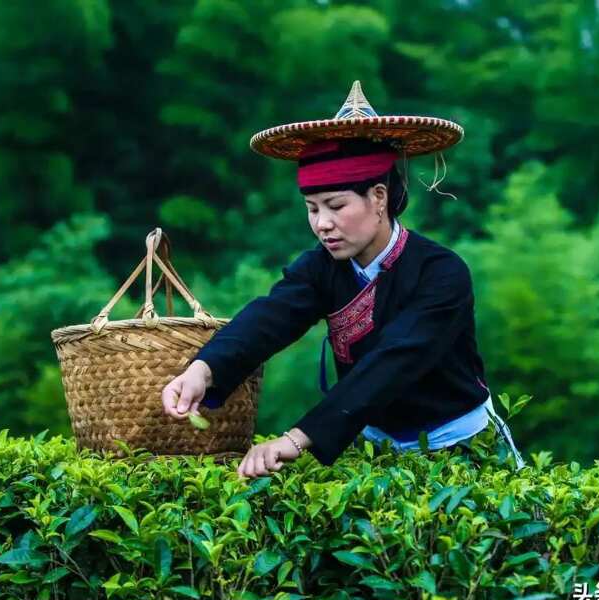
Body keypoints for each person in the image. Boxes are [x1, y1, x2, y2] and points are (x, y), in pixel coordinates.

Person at [161, 81, 525, 478]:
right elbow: (269, 318)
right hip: (374, 451)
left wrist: (298, 438)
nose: (322, 224)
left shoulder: (441, 273)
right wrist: (203, 370)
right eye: (312, 208)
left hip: (461, 446)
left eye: (336, 206)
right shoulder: (320, 268)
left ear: (379, 198)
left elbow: (394, 361)